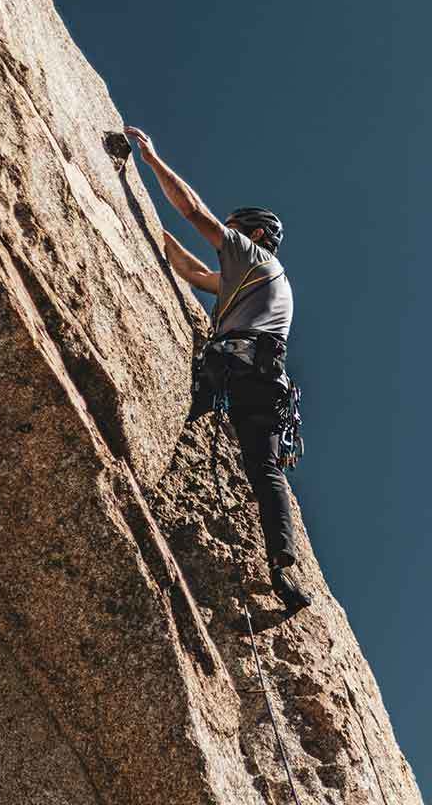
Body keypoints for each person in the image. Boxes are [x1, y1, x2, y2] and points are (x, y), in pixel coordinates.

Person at [124, 125, 312, 612]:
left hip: (237, 365)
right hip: (266, 383)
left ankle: (132, 472)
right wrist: (145, 221)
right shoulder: (255, 281)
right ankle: (282, 568)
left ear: (253, 234)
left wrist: (150, 159)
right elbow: (188, 269)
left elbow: (194, 212)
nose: (226, 239)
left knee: (182, 412)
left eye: (235, 230)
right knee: (265, 469)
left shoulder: (255, 257)